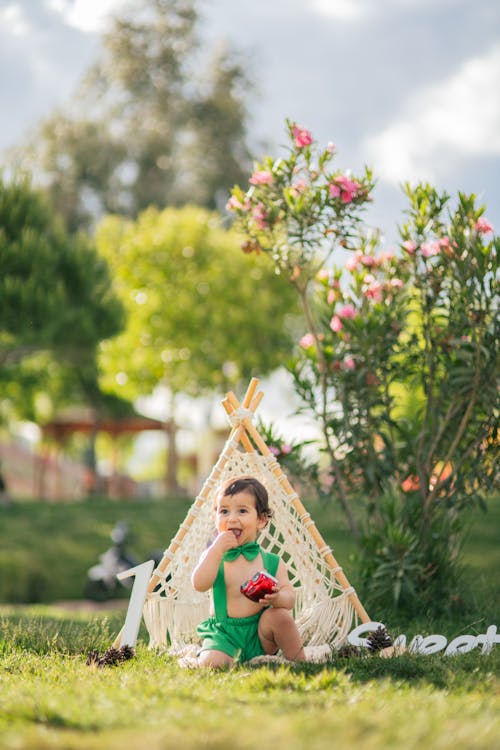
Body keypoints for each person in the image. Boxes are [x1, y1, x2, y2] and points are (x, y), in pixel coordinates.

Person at [191, 475, 305, 668]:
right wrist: (216, 549)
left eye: (242, 511)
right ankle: (220, 657)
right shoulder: (213, 557)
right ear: (215, 517)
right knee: (212, 662)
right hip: (224, 634)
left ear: (261, 520)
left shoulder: (272, 561)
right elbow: (199, 584)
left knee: (281, 617)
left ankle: (300, 661)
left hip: (261, 633)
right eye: (224, 511)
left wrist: (277, 599)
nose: (232, 518)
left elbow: (290, 597)